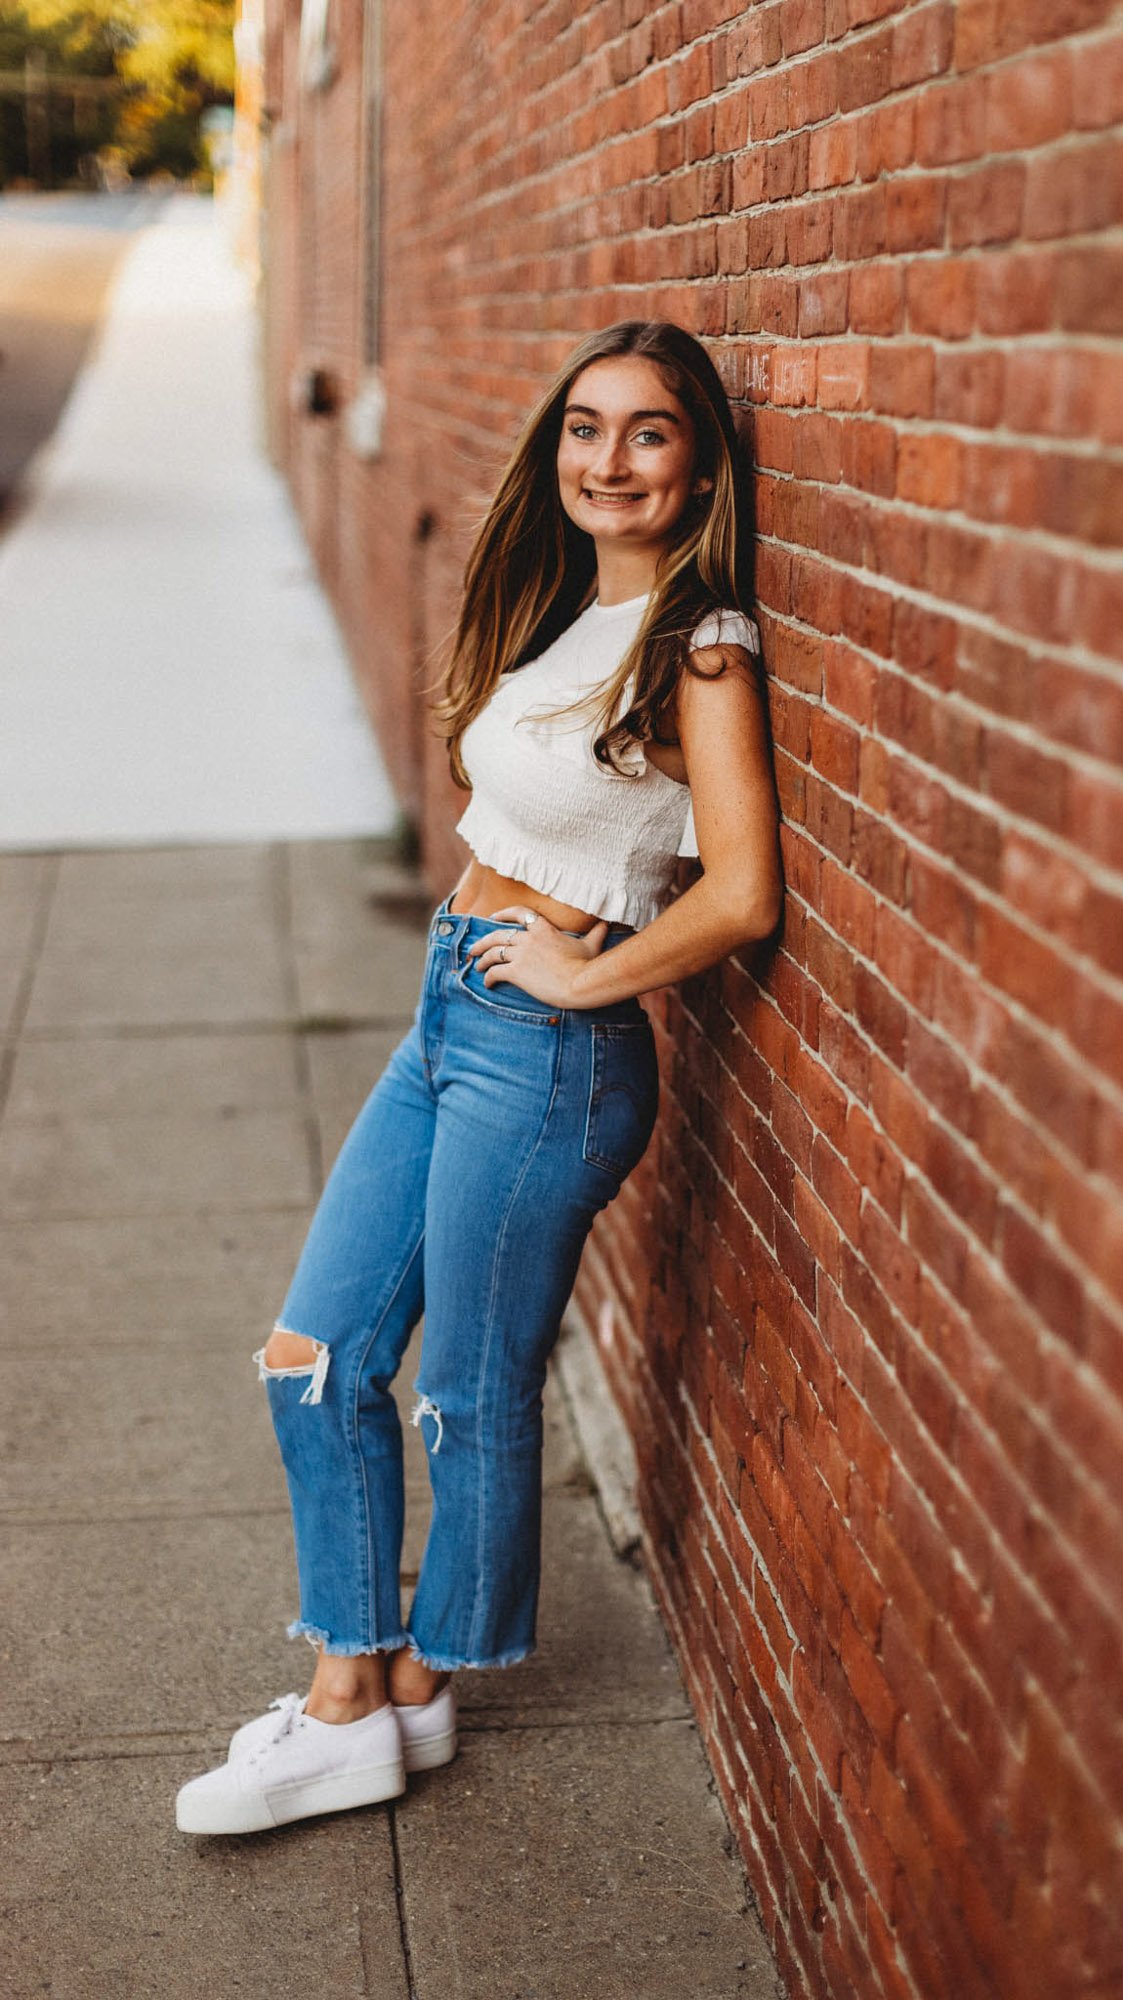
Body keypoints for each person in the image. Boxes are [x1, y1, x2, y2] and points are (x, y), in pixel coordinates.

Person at [175, 319, 784, 1836]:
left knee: (462, 1392)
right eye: (587, 428)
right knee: (311, 1359)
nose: (609, 460)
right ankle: (374, 1694)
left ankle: (380, 1698)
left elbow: (741, 893)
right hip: (452, 1013)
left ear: (699, 459)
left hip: (549, 1055)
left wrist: (585, 969)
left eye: (649, 433)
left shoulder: (699, 642)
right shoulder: (573, 606)